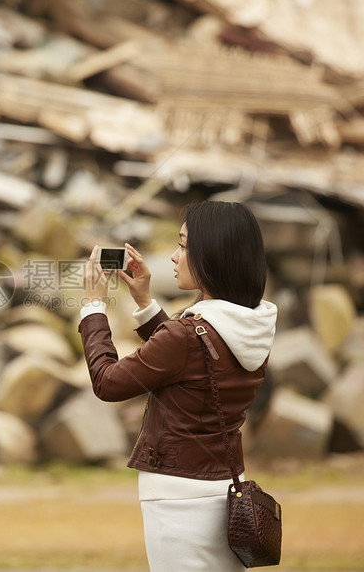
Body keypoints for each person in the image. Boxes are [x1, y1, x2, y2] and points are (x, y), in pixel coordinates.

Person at [78, 201, 277, 572]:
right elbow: (195, 364)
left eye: (183, 246)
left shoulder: (189, 334)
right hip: (226, 494)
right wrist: (143, 302)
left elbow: (107, 382)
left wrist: (92, 308)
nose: (173, 256)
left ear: (211, 255)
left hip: (177, 501)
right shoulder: (251, 326)